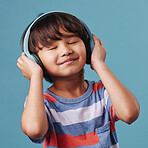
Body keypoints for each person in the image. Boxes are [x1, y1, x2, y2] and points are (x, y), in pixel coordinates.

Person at [17, 12, 140, 148]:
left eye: (72, 42)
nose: (66, 50)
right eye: (52, 48)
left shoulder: (103, 93)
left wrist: (99, 64)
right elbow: (34, 130)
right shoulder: (41, 102)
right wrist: (35, 76)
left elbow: (130, 114)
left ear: (89, 46)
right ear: (36, 61)